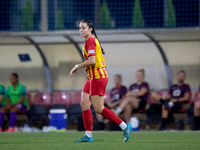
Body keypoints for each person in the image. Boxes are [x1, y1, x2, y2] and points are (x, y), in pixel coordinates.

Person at [70, 19, 131, 142]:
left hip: (98, 77)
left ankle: (125, 126)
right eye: (80, 28)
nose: (80, 30)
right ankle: (88, 136)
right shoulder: (89, 41)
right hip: (91, 77)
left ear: (90, 29)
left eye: (83, 28)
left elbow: (92, 61)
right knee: (84, 104)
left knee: (98, 109)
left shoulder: (91, 41)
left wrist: (77, 66)